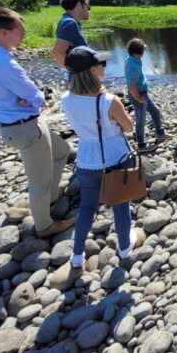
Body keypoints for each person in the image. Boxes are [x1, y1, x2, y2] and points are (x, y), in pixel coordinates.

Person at [0, 7, 74, 238]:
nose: (24, 37)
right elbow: (36, 98)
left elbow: (15, 92)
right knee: (40, 181)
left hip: (11, 123)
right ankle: (45, 225)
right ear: (4, 32)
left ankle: (51, 198)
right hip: (25, 128)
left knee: (62, 150)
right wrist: (34, 100)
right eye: (21, 33)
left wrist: (23, 98)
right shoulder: (4, 63)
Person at [53, 47, 137, 287]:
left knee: (87, 208)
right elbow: (129, 127)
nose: (104, 67)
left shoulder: (66, 99)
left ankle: (77, 255)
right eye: (101, 64)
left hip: (87, 159)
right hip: (115, 157)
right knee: (120, 206)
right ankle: (123, 250)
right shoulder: (108, 100)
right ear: (92, 70)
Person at [125, 38, 167, 154]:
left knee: (155, 111)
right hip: (139, 95)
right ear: (139, 51)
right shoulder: (133, 64)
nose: (144, 51)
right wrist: (138, 98)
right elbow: (132, 86)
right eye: (143, 49)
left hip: (143, 93)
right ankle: (141, 144)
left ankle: (160, 133)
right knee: (141, 119)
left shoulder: (132, 58)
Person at [52, 0, 91, 68]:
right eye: (88, 6)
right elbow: (57, 53)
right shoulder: (69, 23)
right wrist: (76, 72)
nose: (89, 10)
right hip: (80, 79)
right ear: (79, 5)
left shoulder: (70, 22)